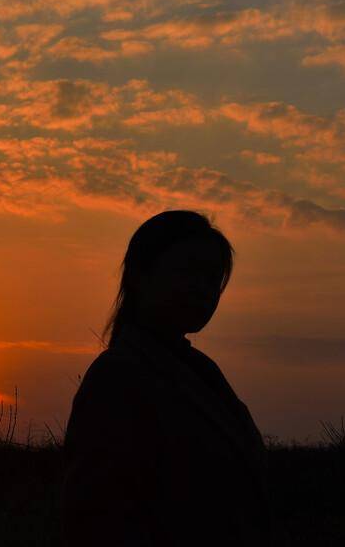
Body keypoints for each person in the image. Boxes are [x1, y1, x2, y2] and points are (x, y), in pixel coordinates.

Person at [60, 210, 272, 546]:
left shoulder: (201, 371)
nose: (203, 289)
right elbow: (99, 516)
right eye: (188, 273)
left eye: (213, 278)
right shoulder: (118, 378)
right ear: (141, 277)